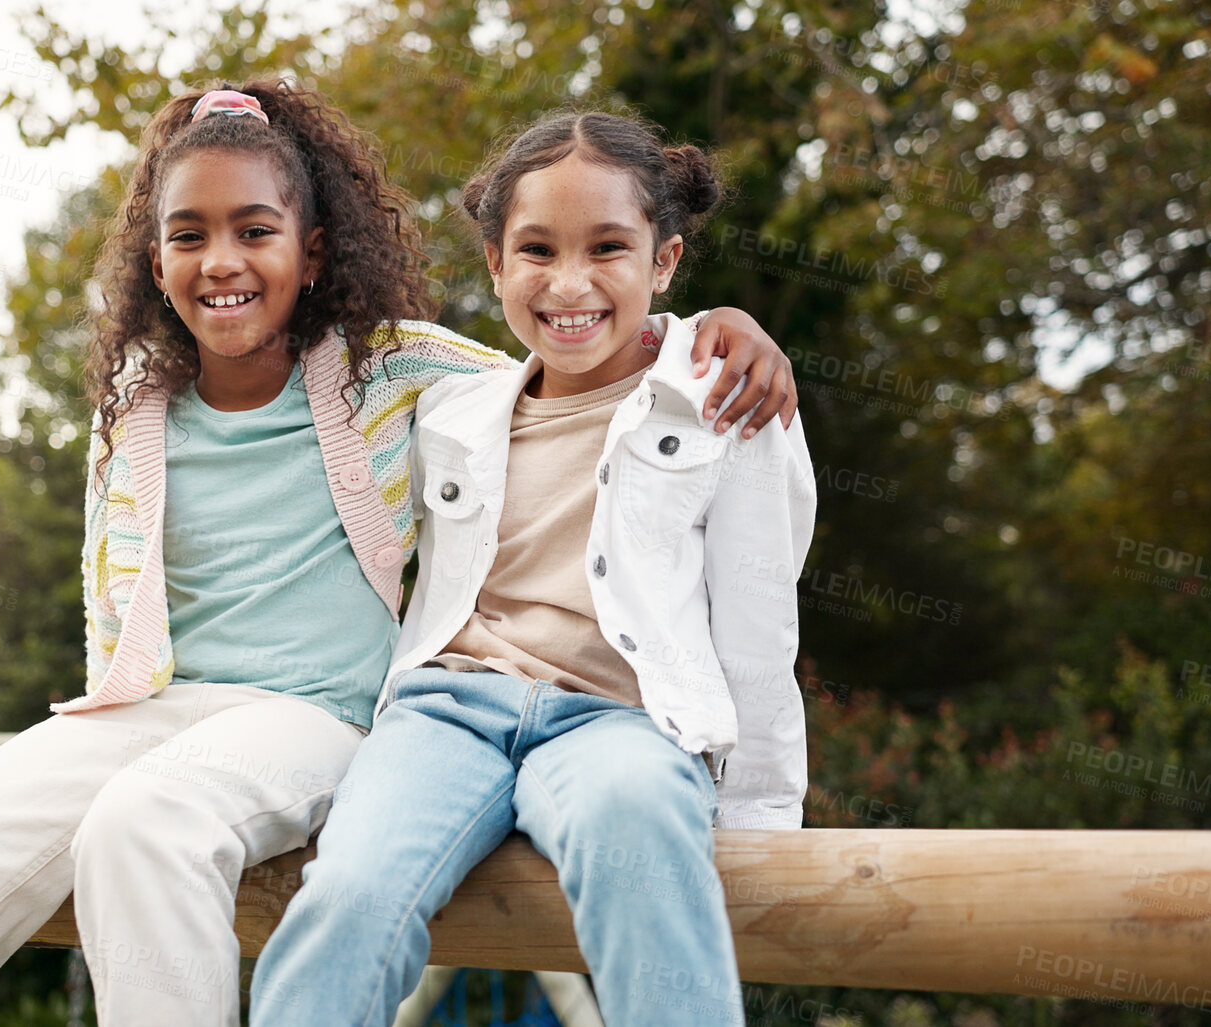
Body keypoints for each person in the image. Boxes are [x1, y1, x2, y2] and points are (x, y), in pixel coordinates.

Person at [0, 83, 795, 1027]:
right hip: (148, 713)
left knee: (144, 825)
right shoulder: (131, 409)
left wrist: (720, 329)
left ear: (314, 249)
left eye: (256, 229)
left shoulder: (398, 376)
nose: (223, 261)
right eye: (189, 235)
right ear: (154, 258)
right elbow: (110, 609)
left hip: (326, 718)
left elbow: (572, 363)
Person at [250, 110, 817, 1027]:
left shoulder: (730, 405)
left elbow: (758, 629)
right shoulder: (449, 412)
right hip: (447, 713)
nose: (570, 283)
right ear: (494, 264)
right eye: (537, 250)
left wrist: (762, 821)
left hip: (623, 724)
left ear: (663, 261)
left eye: (607, 248)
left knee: (637, 824)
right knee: (349, 891)